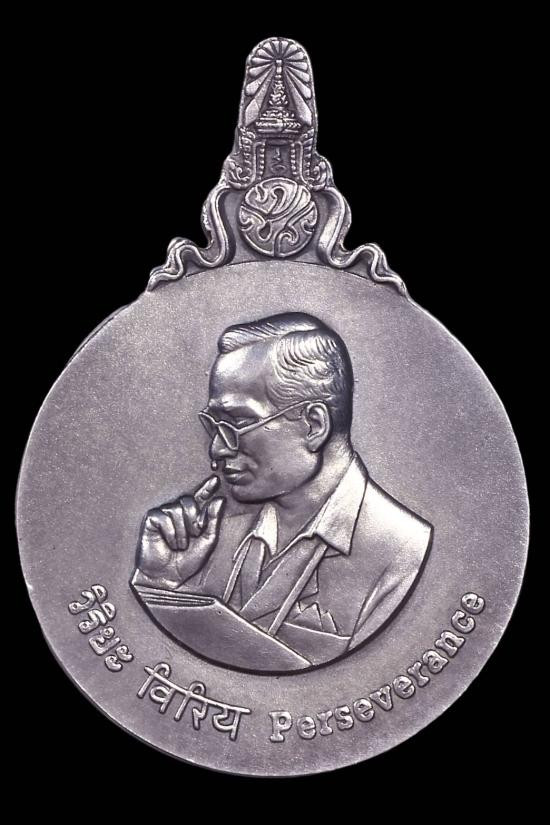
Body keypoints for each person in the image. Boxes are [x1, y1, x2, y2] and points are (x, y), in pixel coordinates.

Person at [132, 312, 432, 667]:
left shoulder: (403, 554)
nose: (217, 449)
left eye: (236, 424)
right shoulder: (209, 535)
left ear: (314, 425)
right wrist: (161, 582)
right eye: (215, 426)